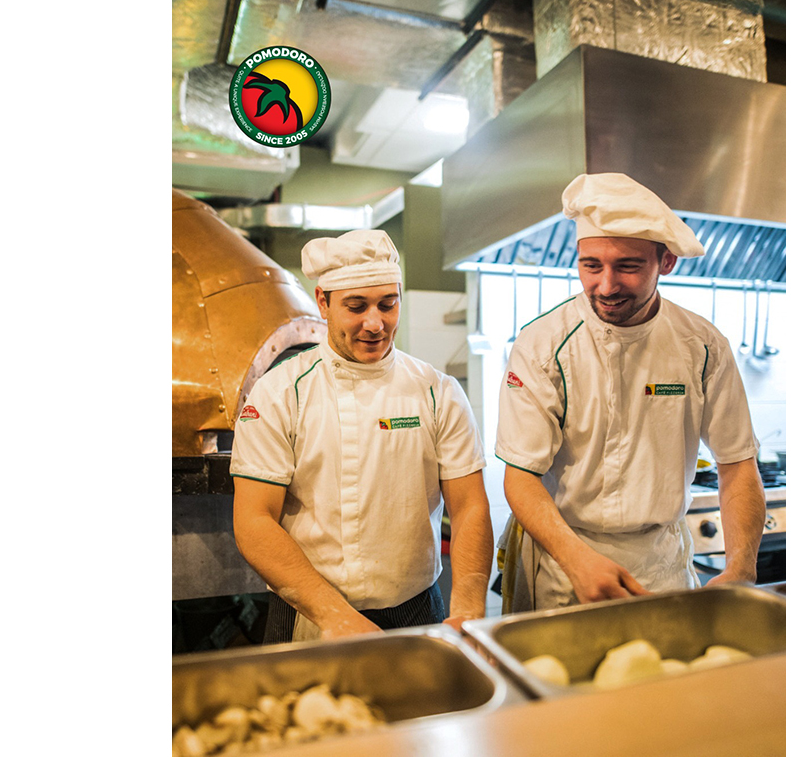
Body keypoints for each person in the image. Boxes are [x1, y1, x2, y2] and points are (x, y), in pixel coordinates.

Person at [495, 173, 766, 612]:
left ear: (666, 262)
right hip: (566, 562)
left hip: (662, 566)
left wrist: (740, 568)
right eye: (591, 266)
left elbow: (736, 464)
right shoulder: (542, 344)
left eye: (627, 266)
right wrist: (578, 561)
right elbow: (521, 477)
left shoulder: (703, 346)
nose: (606, 286)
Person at [230, 229, 494, 643]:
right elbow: (253, 520)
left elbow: (469, 507)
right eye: (356, 307)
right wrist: (333, 614)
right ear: (323, 302)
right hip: (310, 612)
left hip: (417, 609)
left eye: (388, 304)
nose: (375, 323)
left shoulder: (436, 391)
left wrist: (468, 608)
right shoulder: (280, 393)